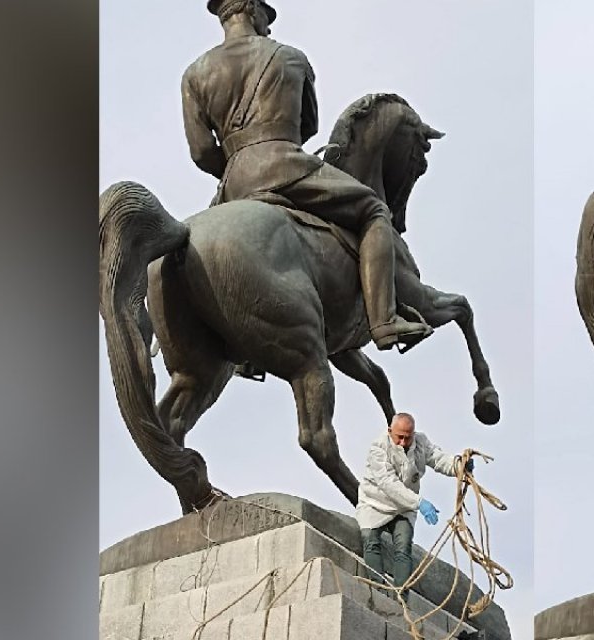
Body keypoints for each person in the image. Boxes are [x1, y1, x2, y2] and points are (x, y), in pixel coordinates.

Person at [181, 0, 431, 351]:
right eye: (266, 16)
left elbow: (201, 151)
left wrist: (238, 166)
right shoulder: (290, 57)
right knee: (374, 209)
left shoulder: (195, 74)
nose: (267, 25)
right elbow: (309, 126)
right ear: (252, 9)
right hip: (285, 164)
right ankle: (384, 321)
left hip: (235, 182)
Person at [356, 412, 472, 595]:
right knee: (371, 541)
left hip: (404, 508)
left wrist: (459, 466)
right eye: (399, 437)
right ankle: (376, 590)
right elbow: (389, 484)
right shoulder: (377, 449)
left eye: (407, 438)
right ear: (389, 431)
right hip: (374, 503)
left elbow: (438, 458)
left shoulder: (421, 442)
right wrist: (420, 503)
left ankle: (402, 596)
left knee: (403, 548)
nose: (403, 442)